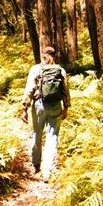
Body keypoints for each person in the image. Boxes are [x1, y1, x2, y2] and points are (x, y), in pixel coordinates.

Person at [21, 46, 71, 180]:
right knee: (52, 136)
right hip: (55, 105)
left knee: (37, 132)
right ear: (54, 56)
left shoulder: (35, 69)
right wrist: (66, 107)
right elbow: (66, 91)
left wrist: (24, 108)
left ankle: (36, 164)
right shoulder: (60, 70)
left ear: (43, 55)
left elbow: (30, 89)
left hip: (39, 105)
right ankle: (48, 170)